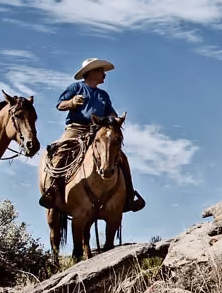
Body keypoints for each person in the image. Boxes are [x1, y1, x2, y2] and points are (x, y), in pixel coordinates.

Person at [42, 58, 145, 211]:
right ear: (92, 73)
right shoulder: (76, 87)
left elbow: (111, 114)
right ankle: (52, 191)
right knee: (60, 152)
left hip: (99, 131)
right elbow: (60, 105)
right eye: (101, 71)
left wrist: (116, 120)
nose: (104, 75)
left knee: (122, 158)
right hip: (75, 129)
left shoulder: (103, 95)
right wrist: (71, 102)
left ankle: (129, 196)